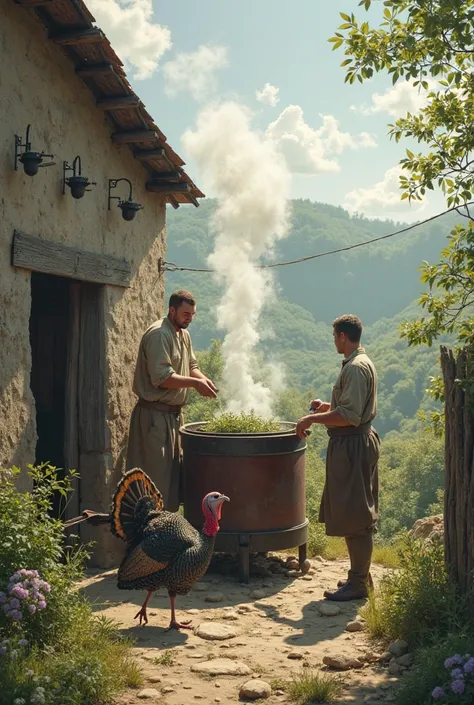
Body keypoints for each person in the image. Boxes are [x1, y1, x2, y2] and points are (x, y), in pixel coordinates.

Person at [296, 314, 380, 601]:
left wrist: (309, 419)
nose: (334, 341)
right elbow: (347, 407)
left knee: (356, 515)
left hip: (353, 447)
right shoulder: (357, 364)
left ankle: (358, 583)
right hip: (351, 445)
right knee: (351, 511)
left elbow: (350, 416)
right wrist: (325, 408)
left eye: (335, 336)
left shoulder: (356, 368)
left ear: (343, 336)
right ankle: (360, 576)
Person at [125, 290, 217, 511]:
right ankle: (146, 538)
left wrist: (204, 380)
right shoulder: (159, 335)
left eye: (193, 314)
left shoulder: (183, 335)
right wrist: (195, 385)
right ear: (172, 309)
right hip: (154, 418)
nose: (190, 318)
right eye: (186, 313)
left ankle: (167, 535)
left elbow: (192, 366)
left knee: (171, 483)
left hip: (174, 418)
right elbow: (162, 378)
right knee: (153, 482)